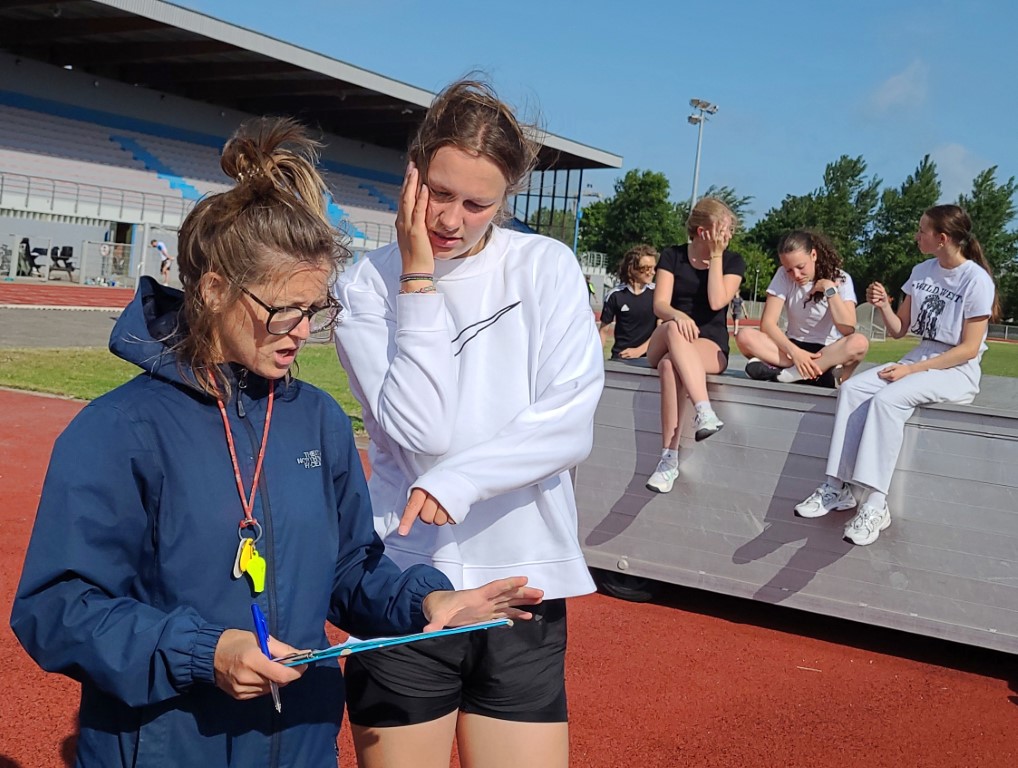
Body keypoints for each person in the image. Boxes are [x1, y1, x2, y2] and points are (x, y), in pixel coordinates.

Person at [10, 117, 541, 768]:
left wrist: (427, 600)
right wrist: (203, 652)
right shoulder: (118, 429)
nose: (301, 332)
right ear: (213, 291)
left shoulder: (317, 419)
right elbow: (58, 608)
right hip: (170, 747)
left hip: (302, 745)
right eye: (283, 310)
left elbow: (349, 567)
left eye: (314, 311)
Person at [332, 79, 604, 768]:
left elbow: (569, 424)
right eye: (439, 194)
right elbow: (420, 432)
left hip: (523, 585)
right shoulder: (365, 284)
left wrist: (458, 480)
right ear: (412, 175)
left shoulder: (546, 267)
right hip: (405, 582)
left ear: (505, 199)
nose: (451, 219)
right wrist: (417, 282)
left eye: (477, 204)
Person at [795, 205, 998, 546]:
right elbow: (899, 330)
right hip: (919, 357)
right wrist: (883, 306)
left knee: (888, 400)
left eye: (922, 231)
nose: (917, 236)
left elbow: (968, 349)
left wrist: (911, 370)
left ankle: (876, 504)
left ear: (942, 238)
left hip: (956, 369)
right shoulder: (921, 271)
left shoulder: (976, 280)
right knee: (852, 390)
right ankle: (837, 487)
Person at [644, 198, 745, 494]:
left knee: (669, 366)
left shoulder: (732, 262)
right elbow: (660, 305)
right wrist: (678, 315)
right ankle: (704, 409)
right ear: (703, 232)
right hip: (669, 335)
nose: (729, 236)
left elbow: (717, 301)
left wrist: (716, 257)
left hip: (709, 345)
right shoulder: (672, 256)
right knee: (673, 329)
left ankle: (668, 460)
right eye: (724, 230)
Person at [736, 230, 869, 388]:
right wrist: (795, 353)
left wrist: (829, 289)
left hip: (827, 351)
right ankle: (810, 373)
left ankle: (789, 373)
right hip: (792, 348)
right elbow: (768, 324)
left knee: (859, 342)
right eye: (789, 270)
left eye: (800, 267)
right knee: (744, 336)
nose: (796, 275)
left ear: (813, 255)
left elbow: (847, 328)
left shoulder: (841, 278)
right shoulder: (782, 275)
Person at [599, 243, 659, 359]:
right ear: (632, 268)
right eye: (647, 268)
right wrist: (594, 360)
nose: (653, 272)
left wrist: (639, 351)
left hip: (649, 359)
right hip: (621, 358)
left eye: (654, 268)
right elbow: (603, 332)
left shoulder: (657, 293)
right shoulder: (615, 295)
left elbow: (661, 330)